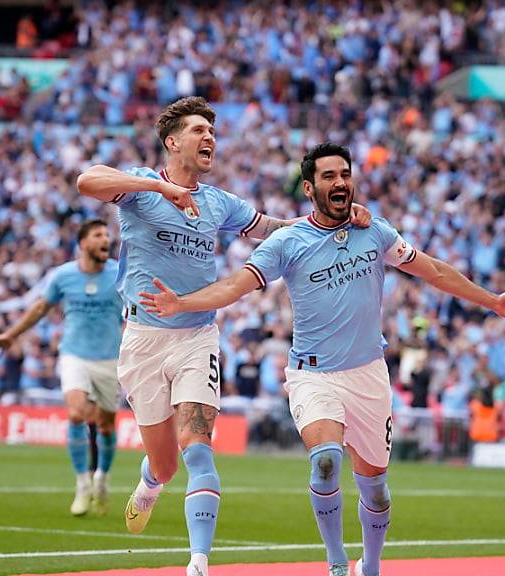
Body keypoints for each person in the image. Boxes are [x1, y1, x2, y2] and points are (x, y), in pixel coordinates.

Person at [138, 142, 505, 576]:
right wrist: (182, 303)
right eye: (330, 176)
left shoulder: (376, 230)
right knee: (326, 461)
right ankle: (335, 562)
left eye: (345, 174)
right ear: (310, 188)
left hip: (369, 373)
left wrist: (492, 302)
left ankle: (369, 565)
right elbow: (236, 285)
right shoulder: (287, 242)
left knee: (377, 490)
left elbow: (433, 270)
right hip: (313, 375)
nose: (341, 182)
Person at [76, 99, 370, 576]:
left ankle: (198, 563)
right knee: (167, 465)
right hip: (142, 339)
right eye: (198, 130)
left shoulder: (219, 202)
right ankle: (151, 482)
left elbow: (270, 229)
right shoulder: (139, 188)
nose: (209, 137)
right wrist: (156, 187)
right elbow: (87, 181)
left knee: (199, 448)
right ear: (173, 142)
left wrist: (336, 218)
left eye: (211, 130)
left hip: (196, 337)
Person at [0, 220, 122, 517]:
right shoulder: (63, 276)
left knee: (106, 425)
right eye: (99, 235)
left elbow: (137, 308)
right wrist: (11, 334)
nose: (106, 241)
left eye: (108, 237)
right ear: (83, 242)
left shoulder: (119, 272)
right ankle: (82, 484)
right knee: (75, 413)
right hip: (74, 355)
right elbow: (39, 308)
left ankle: (102, 479)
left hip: (110, 359)